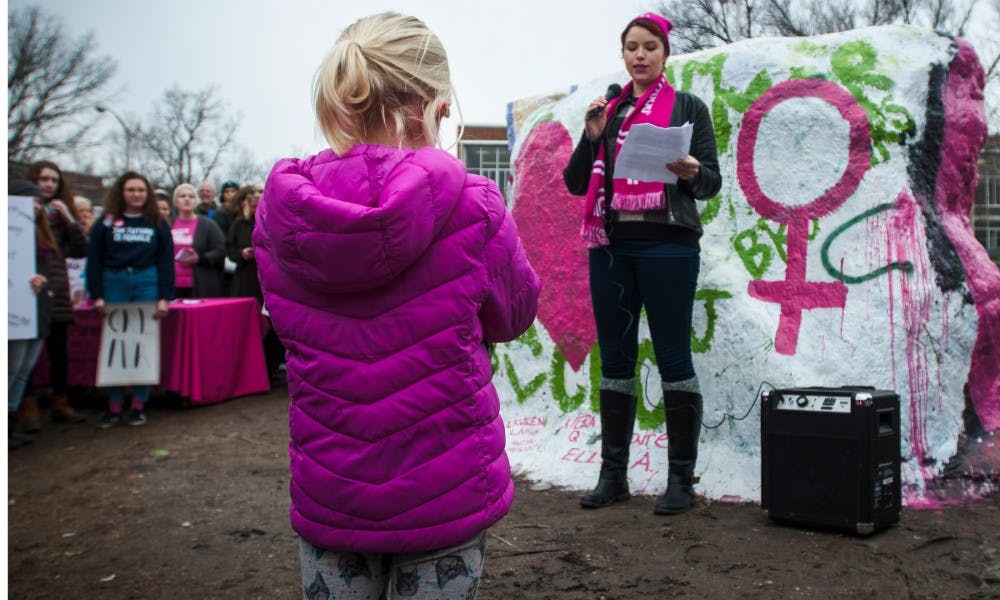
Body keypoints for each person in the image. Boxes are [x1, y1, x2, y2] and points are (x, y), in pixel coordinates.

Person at [252, 12, 540, 599]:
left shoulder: (282, 213)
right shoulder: (474, 203)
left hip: (333, 481)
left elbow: (285, 323)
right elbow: (514, 315)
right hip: (446, 478)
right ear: (434, 105)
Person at [562, 12, 721, 515]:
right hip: (611, 247)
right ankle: (614, 475)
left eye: (650, 46)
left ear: (665, 53)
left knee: (674, 357)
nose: (640, 55)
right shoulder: (608, 110)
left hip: (669, 245)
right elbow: (573, 183)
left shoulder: (689, 107)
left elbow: (712, 182)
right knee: (615, 360)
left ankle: (680, 481)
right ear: (623, 54)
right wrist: (592, 136)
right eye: (632, 47)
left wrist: (694, 173)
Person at [86, 172, 175, 428]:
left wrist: (164, 298)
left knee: (143, 342)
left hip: (147, 282)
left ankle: (138, 405)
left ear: (146, 194)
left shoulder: (156, 223)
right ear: (121, 193)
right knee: (116, 344)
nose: (136, 194)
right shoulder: (105, 223)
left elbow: (165, 262)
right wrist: (97, 295)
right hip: (113, 283)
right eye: (130, 190)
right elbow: (95, 260)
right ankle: (114, 406)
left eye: (140, 190)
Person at [24, 160, 88, 427]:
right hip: (27, 289)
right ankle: (25, 408)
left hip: (57, 290)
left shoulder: (62, 214)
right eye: (43, 179)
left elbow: (80, 249)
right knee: (26, 352)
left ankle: (61, 402)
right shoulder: (19, 212)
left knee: (58, 351)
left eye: (53, 180)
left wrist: (70, 219)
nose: (49, 184)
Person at [7, 180, 56, 449]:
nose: (36, 206)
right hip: (14, 307)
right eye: (31, 201)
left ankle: (11, 422)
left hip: (38, 306)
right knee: (11, 367)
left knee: (25, 368)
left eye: (39, 202)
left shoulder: (41, 232)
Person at [170, 183, 226, 298]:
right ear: (175, 202)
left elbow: (221, 250)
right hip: (172, 284)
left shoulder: (208, 225)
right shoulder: (168, 224)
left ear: (196, 201)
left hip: (201, 284)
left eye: (191, 196)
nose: (187, 199)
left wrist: (200, 258)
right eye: (182, 196)